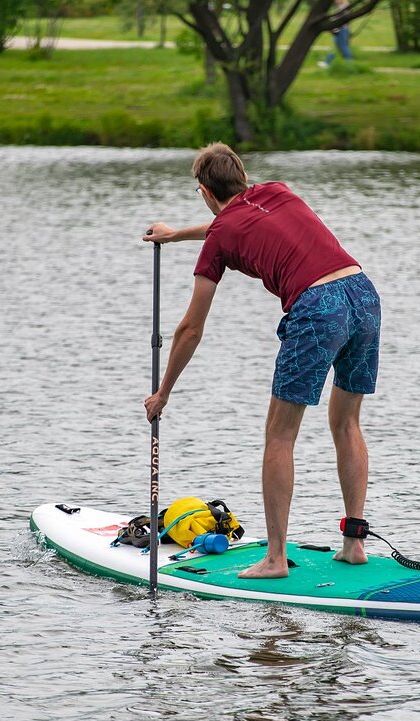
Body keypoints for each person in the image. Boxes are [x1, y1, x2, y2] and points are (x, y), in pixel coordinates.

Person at [142, 143, 381, 580]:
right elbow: (231, 222)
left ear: (203, 191)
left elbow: (191, 328)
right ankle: (354, 544)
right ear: (244, 178)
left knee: (280, 436)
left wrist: (164, 392)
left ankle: (274, 558)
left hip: (318, 308)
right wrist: (176, 235)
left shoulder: (220, 238)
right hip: (362, 293)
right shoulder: (278, 191)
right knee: (346, 423)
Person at [319, 0, 353, 68]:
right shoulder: (342, 7)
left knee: (343, 47)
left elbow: (340, 20)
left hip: (342, 29)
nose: (335, 1)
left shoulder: (343, 7)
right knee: (337, 46)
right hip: (341, 29)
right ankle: (327, 62)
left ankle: (350, 63)